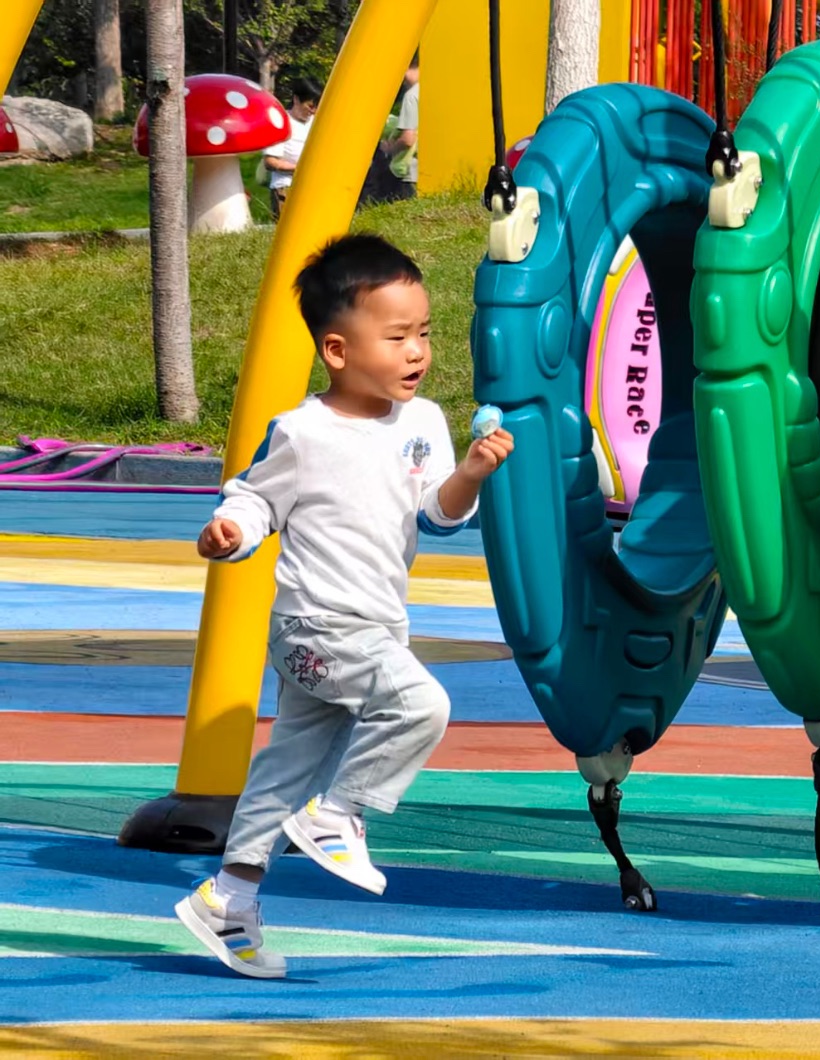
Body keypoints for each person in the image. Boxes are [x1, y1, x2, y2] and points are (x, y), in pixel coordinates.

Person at [173, 233, 515, 979]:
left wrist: (472, 473)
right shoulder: (304, 432)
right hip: (316, 627)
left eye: (423, 333)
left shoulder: (423, 422)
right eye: (396, 337)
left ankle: (229, 897)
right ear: (336, 350)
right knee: (421, 705)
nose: (417, 352)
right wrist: (231, 533)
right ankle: (339, 814)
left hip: (374, 627)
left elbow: (438, 515)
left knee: (287, 770)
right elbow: (254, 499)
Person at [358, 53, 419, 207]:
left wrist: (389, 149)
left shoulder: (412, 96)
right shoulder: (431, 90)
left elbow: (408, 138)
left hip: (407, 171)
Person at [263, 78, 323, 218]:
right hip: (286, 188)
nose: (313, 111)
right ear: (296, 99)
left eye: (317, 107)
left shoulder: (316, 122)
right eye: (310, 106)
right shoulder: (281, 122)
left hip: (313, 186)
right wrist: (300, 169)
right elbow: (270, 162)